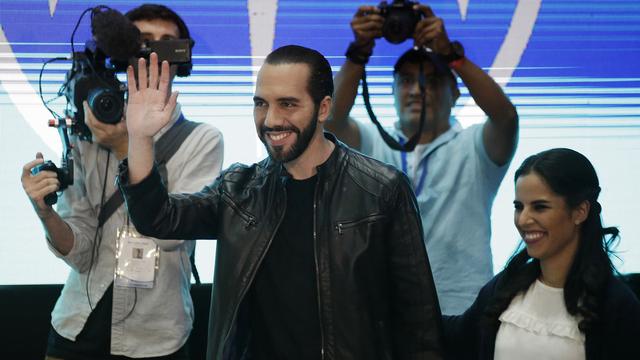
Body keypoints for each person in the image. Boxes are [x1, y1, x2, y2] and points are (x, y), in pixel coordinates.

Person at [118, 44, 444, 359]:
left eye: (288, 104)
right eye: (261, 104)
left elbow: (419, 322)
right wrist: (141, 137)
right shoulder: (238, 190)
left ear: (324, 108)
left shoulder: (381, 189)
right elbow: (158, 219)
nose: (271, 119)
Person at [20, 4, 224, 359]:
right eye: (142, 43)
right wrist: (44, 212)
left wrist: (125, 145)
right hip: (77, 324)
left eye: (166, 44)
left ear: (181, 60)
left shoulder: (202, 139)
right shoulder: (90, 131)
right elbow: (80, 252)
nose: (153, 54)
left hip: (157, 336)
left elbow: (173, 233)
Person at [326, 3, 519, 315]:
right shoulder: (373, 143)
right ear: (391, 91)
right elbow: (330, 121)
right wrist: (359, 52)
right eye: (405, 80)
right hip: (383, 309)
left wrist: (451, 55)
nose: (416, 90)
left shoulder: (474, 146)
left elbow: (506, 117)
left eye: (431, 80)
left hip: (461, 308)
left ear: (456, 94)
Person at [442, 148, 640, 359]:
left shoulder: (618, 306)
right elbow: (456, 336)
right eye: (519, 207)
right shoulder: (505, 286)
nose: (523, 220)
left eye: (540, 207)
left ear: (580, 212)